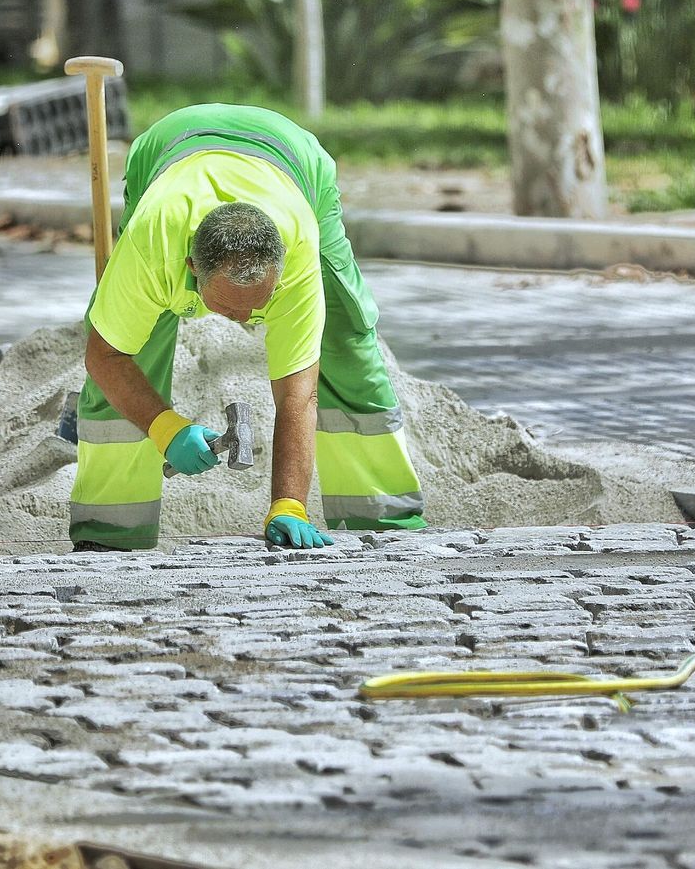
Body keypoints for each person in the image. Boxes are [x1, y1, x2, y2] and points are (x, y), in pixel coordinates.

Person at [68, 104, 428, 552]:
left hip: (292, 155)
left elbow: (299, 393)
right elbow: (104, 355)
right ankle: (110, 533)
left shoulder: (297, 250)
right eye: (225, 307)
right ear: (190, 267)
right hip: (170, 144)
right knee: (125, 346)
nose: (241, 324)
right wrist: (165, 428)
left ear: (279, 274)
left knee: (345, 344)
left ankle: (385, 523)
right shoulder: (152, 243)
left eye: (257, 306)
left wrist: (289, 504)